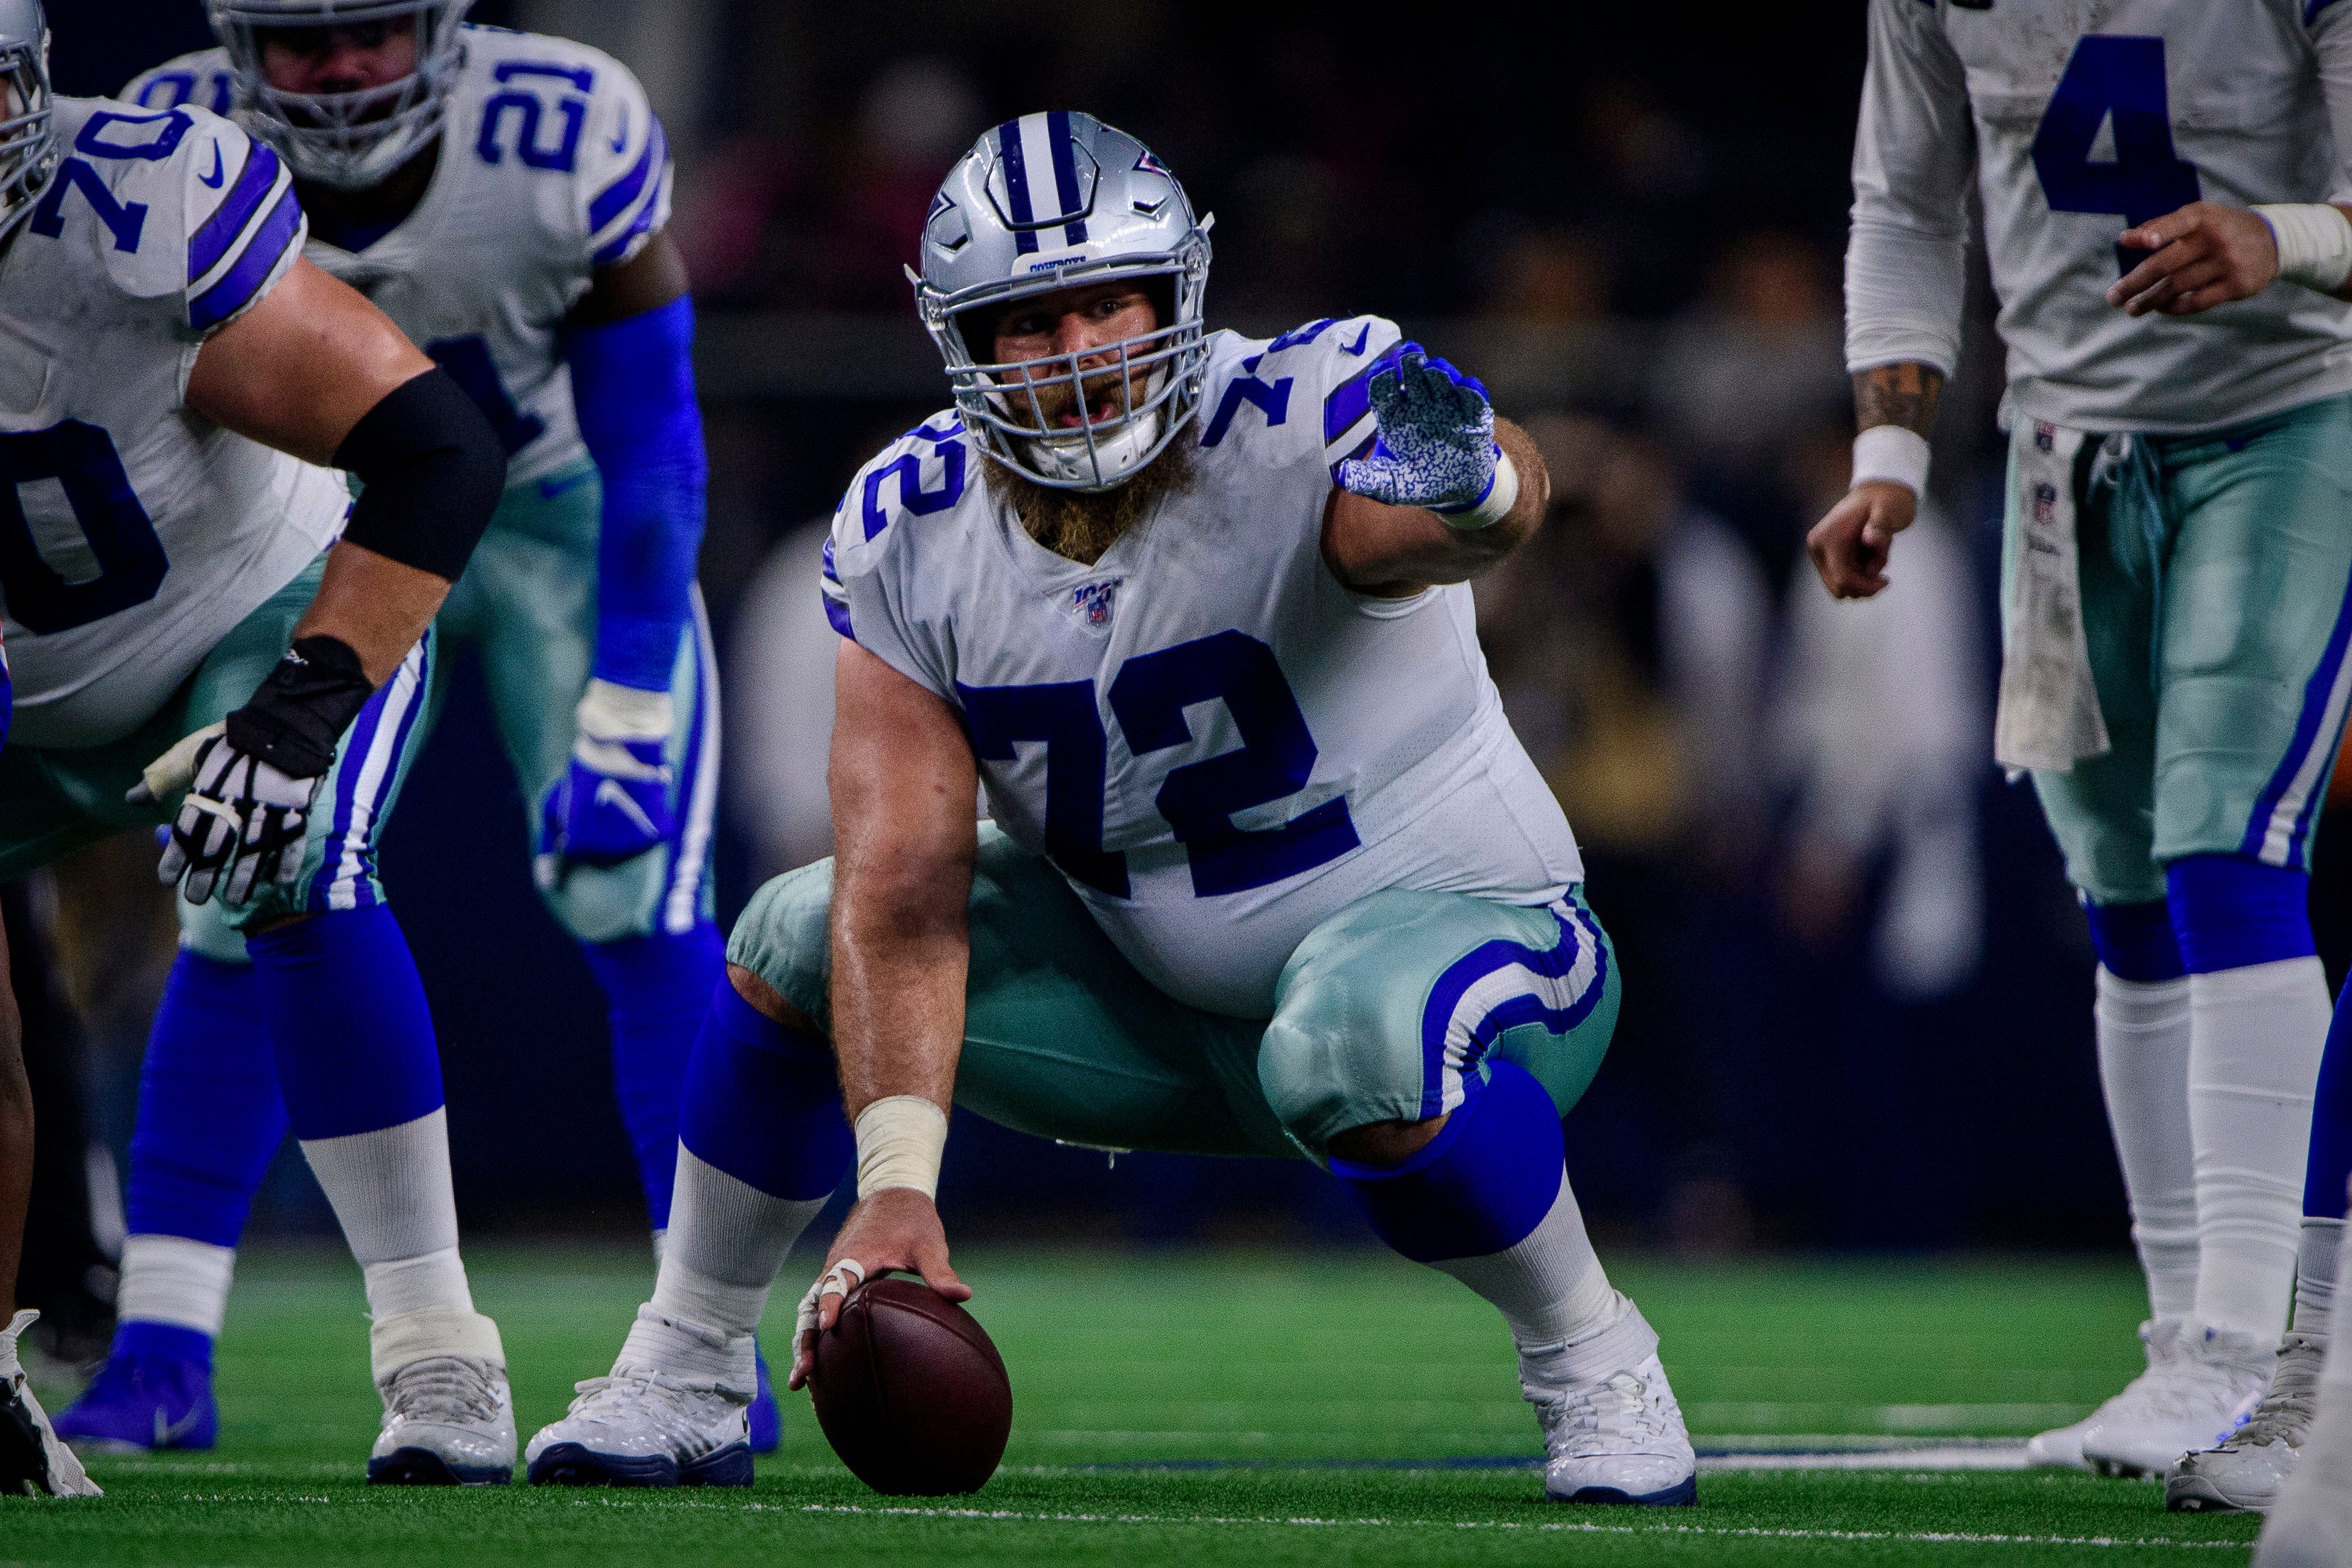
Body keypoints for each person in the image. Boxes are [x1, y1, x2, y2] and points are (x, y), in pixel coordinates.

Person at [521, 111, 1698, 1507]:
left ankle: (1594, 1358)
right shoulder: (911, 530)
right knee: (794, 928)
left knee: (1348, 1038)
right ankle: (687, 1363)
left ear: (1177, 294)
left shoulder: (1296, 410)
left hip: (1475, 957)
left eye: (1106, 302)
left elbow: (1454, 513)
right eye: (1029, 318)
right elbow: (900, 892)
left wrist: (1479, 481)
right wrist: (895, 1183)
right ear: (960, 338)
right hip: (1161, 1014)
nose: (1078, 350)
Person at [63, 0, 772, 1451]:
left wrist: (633, 683)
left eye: (372, 34)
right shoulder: (165, 139)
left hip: (553, 530)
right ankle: (161, 1348)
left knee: (636, 893)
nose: (335, 70)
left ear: (446, 31)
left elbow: (651, 444)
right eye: (300, 40)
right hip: (311, 542)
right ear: (231, 38)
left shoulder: (561, 129)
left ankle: (709, 1348)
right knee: (241, 877)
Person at [1813, 0, 2352, 1497]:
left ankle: (2253, 1364)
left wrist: (2285, 237)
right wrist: (1888, 459)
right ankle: (2184, 1338)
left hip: (2291, 413)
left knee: (2223, 849)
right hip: (2058, 447)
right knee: (2119, 892)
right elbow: (1903, 199)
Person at [0, 0, 515, 1482]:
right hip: (22, 698)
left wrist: (295, 713)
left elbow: (435, 448)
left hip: (239, 617)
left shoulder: (129, 217)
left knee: (287, 857)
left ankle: (436, 1358)